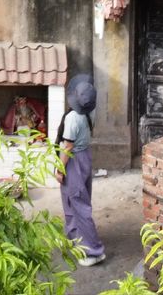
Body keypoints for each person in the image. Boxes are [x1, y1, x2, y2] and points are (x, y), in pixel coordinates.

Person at [57, 74, 106, 267]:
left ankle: (93, 251)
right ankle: (76, 241)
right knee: (72, 202)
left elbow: (67, 147)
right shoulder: (90, 111)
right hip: (85, 156)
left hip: (73, 161)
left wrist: (60, 169)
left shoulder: (72, 118)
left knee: (79, 205)